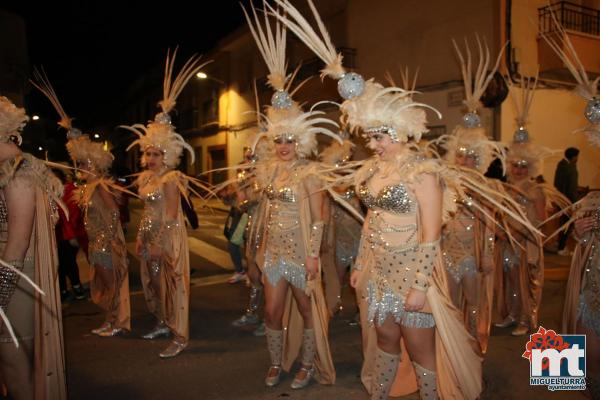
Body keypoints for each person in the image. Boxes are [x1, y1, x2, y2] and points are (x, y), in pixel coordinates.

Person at [270, 2, 485, 398]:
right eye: (370, 137)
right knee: (384, 339)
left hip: (412, 272)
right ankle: (381, 395)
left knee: (420, 348)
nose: (372, 144)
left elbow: (431, 234)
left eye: (379, 137)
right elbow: (371, 220)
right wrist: (362, 266)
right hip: (380, 271)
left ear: (400, 132)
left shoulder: (423, 173)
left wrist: (420, 285)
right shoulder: (373, 170)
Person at [241, 4, 338, 388]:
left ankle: (308, 364)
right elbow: (259, 211)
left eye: (289, 139)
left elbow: (319, 216)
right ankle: (276, 361)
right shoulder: (267, 171)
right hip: (274, 252)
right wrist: (257, 249)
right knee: (271, 310)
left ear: (300, 141)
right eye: (278, 139)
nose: (283, 145)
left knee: (305, 306)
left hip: (300, 251)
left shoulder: (310, 171)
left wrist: (313, 255)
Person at [122, 50, 210, 358]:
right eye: (147, 153)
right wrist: (142, 237)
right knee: (154, 284)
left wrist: (159, 242)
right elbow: (147, 211)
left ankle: (178, 333)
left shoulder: (172, 178)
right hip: (149, 235)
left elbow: (172, 215)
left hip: (168, 238)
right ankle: (162, 321)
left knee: (171, 285)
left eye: (156, 154)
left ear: (168, 155)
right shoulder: (145, 178)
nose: (149, 158)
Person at [32, 72, 131, 337]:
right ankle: (111, 320)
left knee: (110, 284)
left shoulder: (99, 185)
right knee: (102, 283)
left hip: (106, 243)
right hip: (96, 242)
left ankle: (116, 323)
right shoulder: (86, 187)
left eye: (84, 164)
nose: (80, 168)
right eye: (78, 164)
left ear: (96, 165)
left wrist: (109, 242)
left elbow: (113, 213)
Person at [541, 21, 600, 398]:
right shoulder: (593, 192)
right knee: (585, 350)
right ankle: (569, 381)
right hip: (593, 279)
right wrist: (582, 235)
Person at [0, 95, 66, 399]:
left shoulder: (19, 173)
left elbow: (18, 242)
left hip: (16, 276)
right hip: (12, 273)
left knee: (13, 362)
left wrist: (0, 294)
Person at [54, 168, 86, 301]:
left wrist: (72, 232)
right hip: (58, 234)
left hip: (67, 234)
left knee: (68, 262)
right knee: (59, 263)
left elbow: (74, 213)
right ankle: (63, 289)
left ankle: (75, 286)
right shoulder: (50, 192)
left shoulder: (69, 191)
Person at [554, 147, 579, 255]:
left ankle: (560, 244)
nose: (578, 158)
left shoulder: (561, 165)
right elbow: (571, 188)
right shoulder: (570, 168)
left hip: (561, 199)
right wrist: (575, 202)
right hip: (568, 201)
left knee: (563, 223)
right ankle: (561, 247)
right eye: (577, 156)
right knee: (567, 224)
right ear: (573, 157)